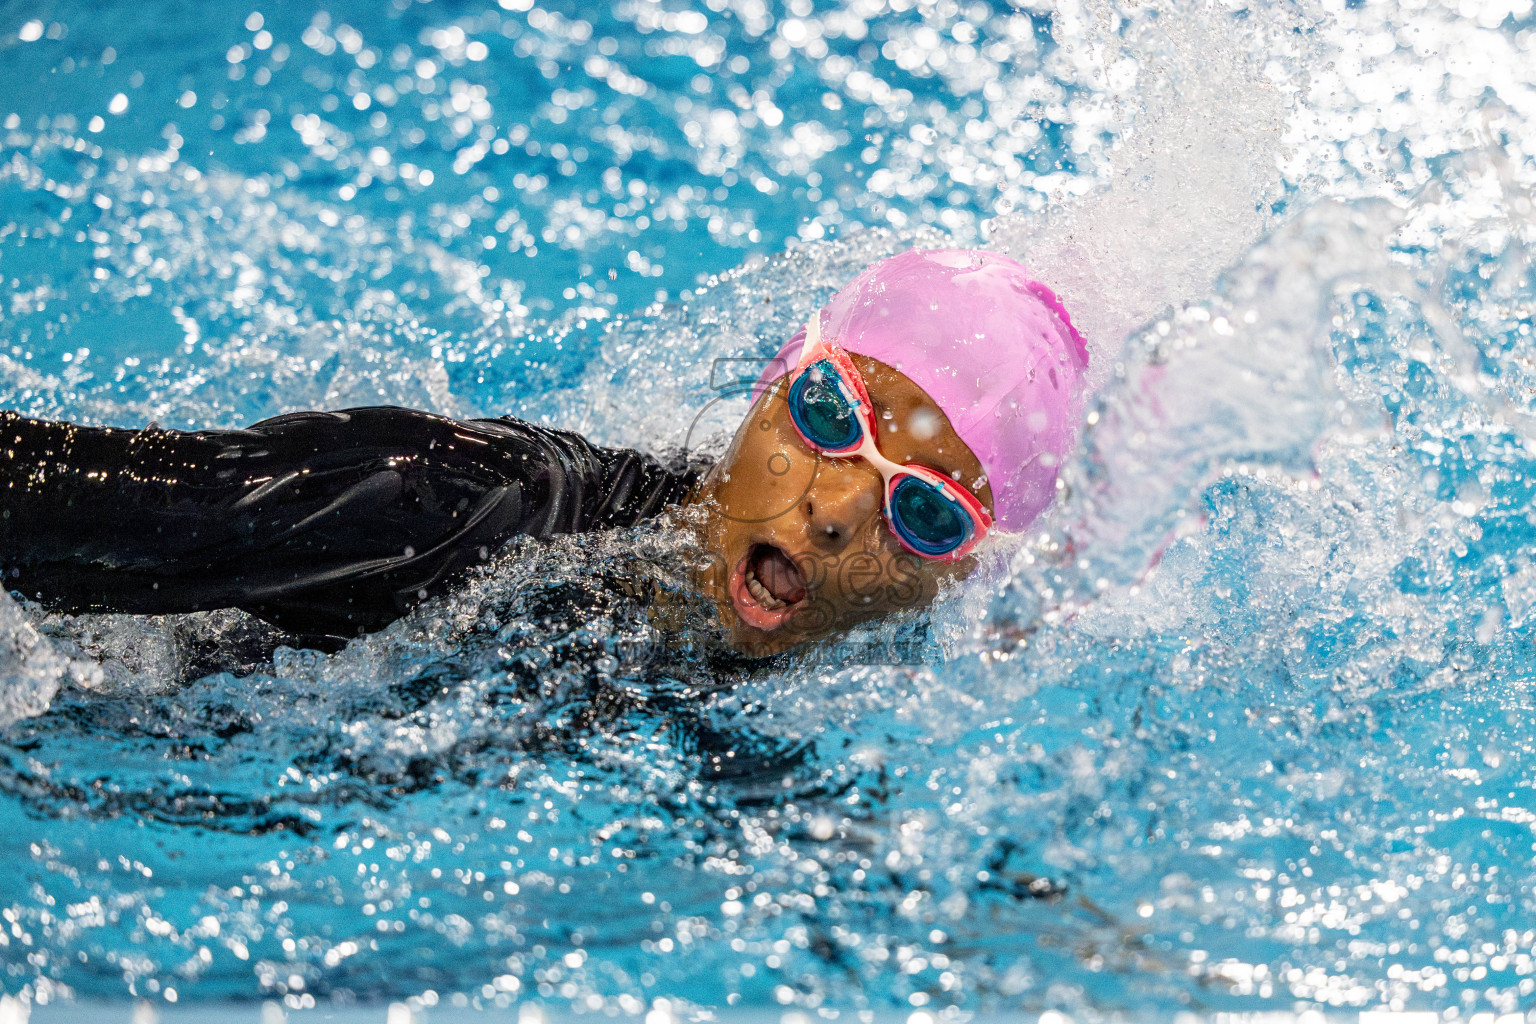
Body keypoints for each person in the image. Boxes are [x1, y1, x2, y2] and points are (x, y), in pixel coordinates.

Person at [0, 249, 1087, 658]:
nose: (839, 509)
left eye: (928, 511)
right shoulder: (454, 509)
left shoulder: (848, 705)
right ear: (768, 386)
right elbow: (79, 506)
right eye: (829, 414)